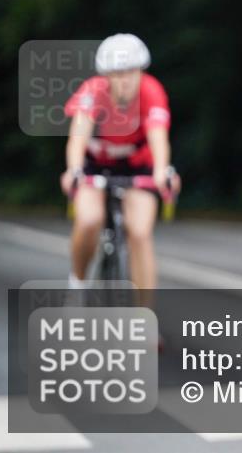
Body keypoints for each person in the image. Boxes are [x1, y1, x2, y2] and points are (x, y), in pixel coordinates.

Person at [61, 33, 180, 305]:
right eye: (117, 74)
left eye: (131, 72)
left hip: (138, 167)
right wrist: (74, 170)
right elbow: (77, 137)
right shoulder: (92, 92)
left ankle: (145, 313)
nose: (124, 80)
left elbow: (158, 137)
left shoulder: (151, 91)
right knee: (89, 219)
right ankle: (77, 284)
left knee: (139, 231)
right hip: (96, 165)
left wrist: (161, 172)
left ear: (141, 72)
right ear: (106, 76)